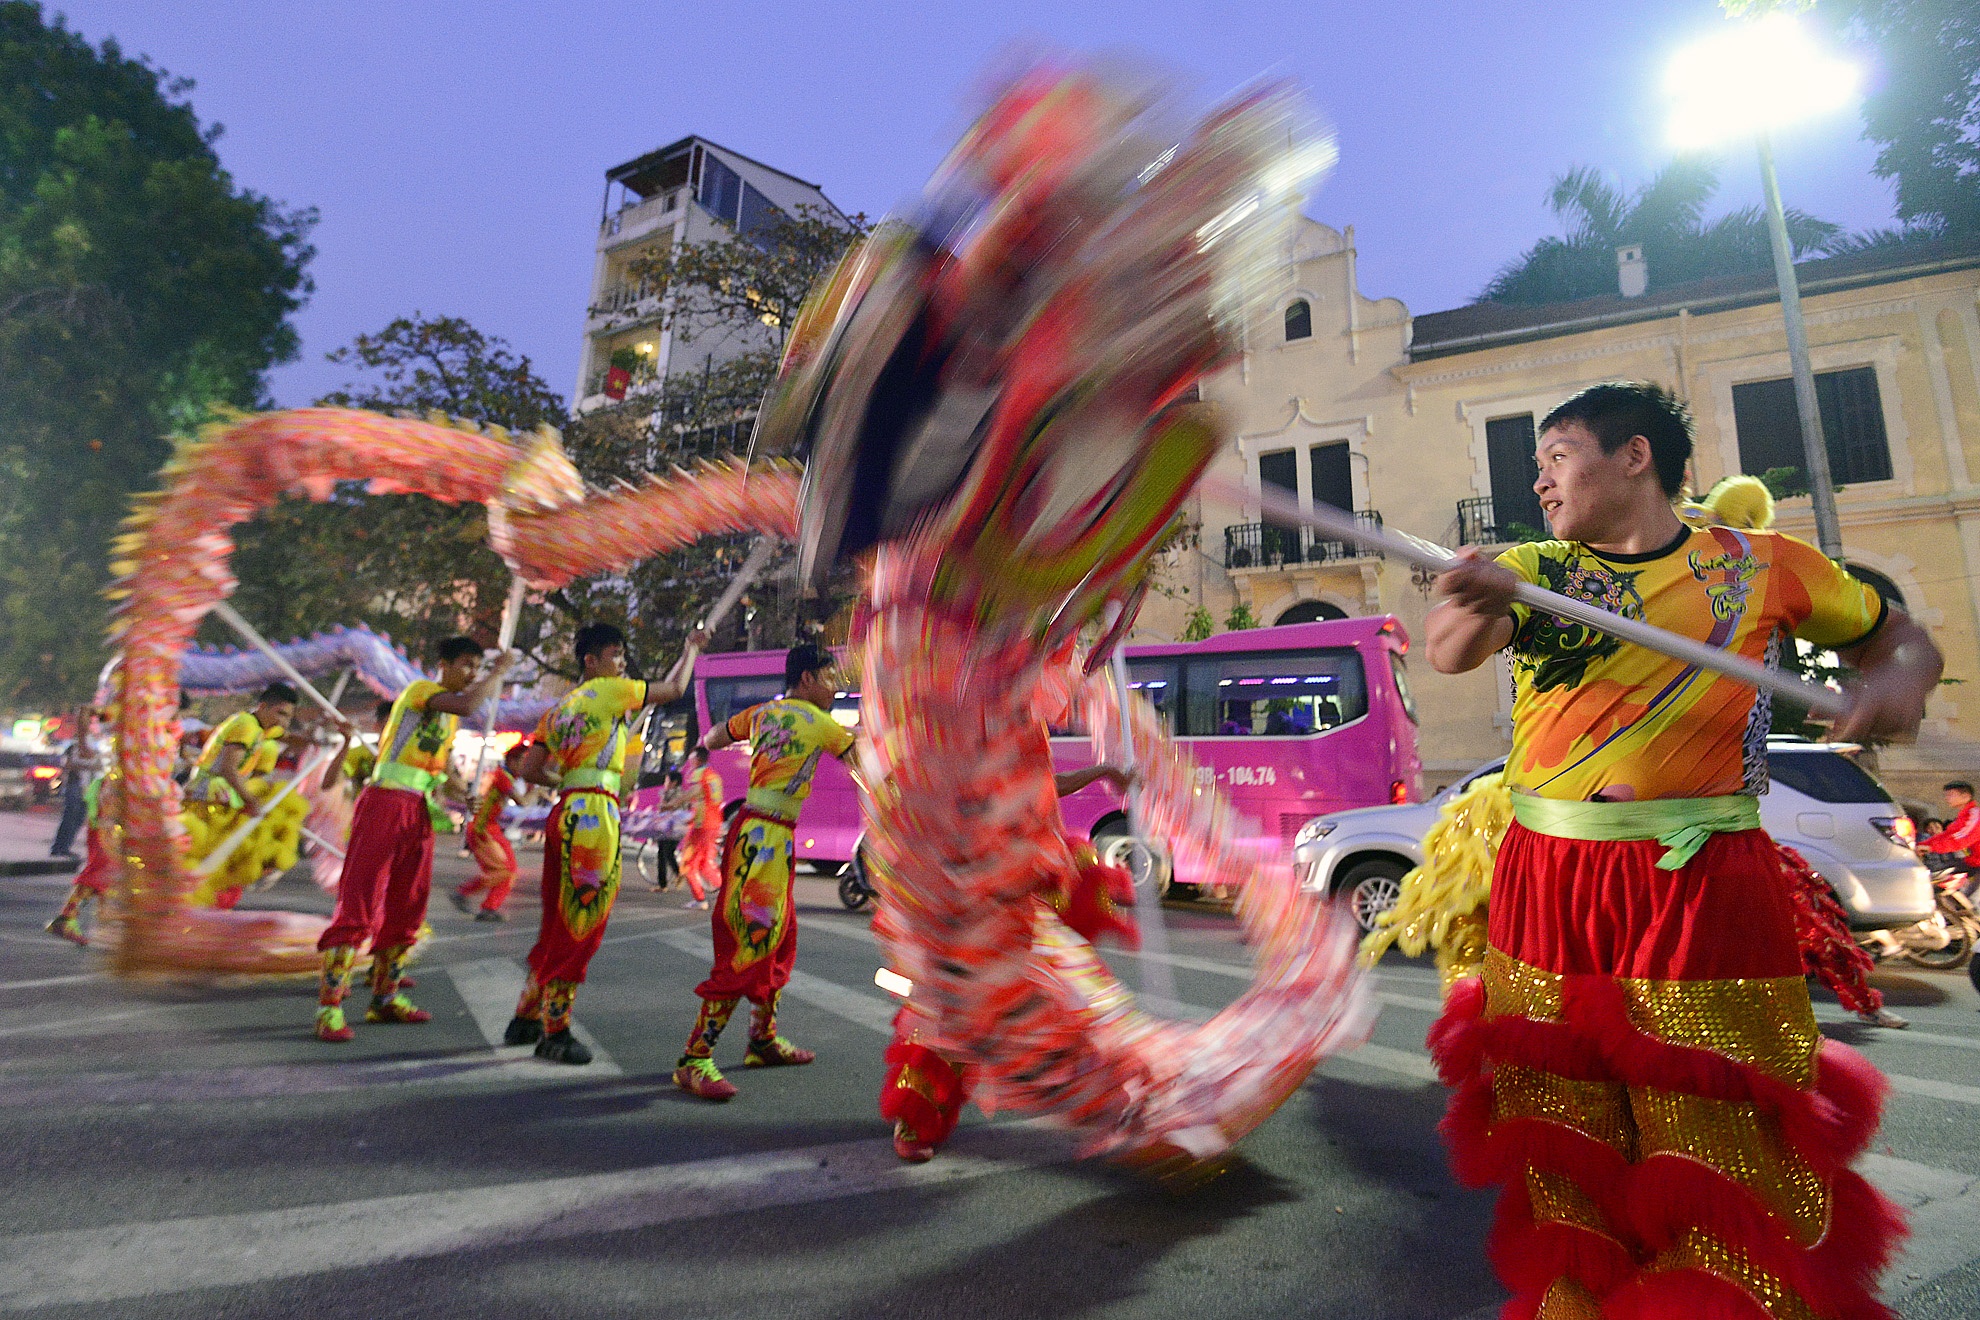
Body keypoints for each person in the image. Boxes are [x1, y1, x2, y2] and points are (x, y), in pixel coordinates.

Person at [1424, 381, 1939, 1318]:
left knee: (1721, 1149)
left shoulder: (1766, 567)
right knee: (1562, 1141)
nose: (1541, 481)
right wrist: (1471, 592)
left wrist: (1899, 680)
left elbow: (1898, 638)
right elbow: (1453, 649)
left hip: (1704, 885)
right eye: (1536, 465)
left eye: (1559, 455)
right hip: (1548, 881)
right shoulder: (1537, 568)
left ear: (1635, 456)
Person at [883, 759, 1137, 1161]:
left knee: (1068, 1007)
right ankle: (915, 1120)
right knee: (950, 1026)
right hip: (967, 910)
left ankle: (1107, 1106)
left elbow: (1042, 785)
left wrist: (1101, 773)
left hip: (1019, 904)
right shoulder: (950, 753)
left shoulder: (1008, 743)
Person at [504, 622, 705, 1063]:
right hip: (594, 816)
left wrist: (568, 781)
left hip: (566, 811)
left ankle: (526, 1015)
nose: (622, 663)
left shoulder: (558, 710)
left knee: (558, 920)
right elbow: (673, 688)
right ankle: (554, 1030)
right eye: (615, 655)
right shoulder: (610, 691)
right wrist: (691, 648)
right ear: (590, 661)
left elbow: (531, 769)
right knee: (583, 923)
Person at [672, 642, 853, 1101]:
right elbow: (867, 771)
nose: (836, 689)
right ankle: (695, 1058)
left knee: (780, 936)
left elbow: (712, 739)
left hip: (757, 832)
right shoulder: (819, 724)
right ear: (807, 679)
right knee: (752, 940)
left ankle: (762, 1039)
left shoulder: (759, 714)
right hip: (769, 842)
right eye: (830, 678)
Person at [313, 639, 515, 1043]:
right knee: (360, 900)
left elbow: (441, 771)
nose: (472, 673)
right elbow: (468, 704)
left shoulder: (448, 719)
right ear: (443, 666)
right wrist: (499, 671)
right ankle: (329, 1008)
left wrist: (463, 792)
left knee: (409, 904)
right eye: (466, 665)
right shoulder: (422, 691)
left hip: (418, 809)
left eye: (477, 666)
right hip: (385, 804)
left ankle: (385, 997)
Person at [453, 742, 530, 921]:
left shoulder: (499, 775)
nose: (525, 767)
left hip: (488, 827)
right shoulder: (501, 776)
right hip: (483, 829)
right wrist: (539, 792)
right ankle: (466, 894)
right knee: (505, 870)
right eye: (523, 762)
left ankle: (486, 906)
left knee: (509, 869)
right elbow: (522, 802)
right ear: (512, 760)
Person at [676, 744, 723, 910]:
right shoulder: (714, 776)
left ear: (697, 759)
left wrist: (671, 804)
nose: (690, 762)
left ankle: (700, 898)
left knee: (688, 864)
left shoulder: (700, 774)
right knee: (705, 864)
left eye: (691, 759)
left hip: (701, 826)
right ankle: (729, 894)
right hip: (714, 823)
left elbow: (692, 794)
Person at [48, 711, 96, 858]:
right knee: (70, 817)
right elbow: (69, 765)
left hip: (86, 786)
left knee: (78, 818)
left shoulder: (92, 745)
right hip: (76, 785)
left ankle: (64, 846)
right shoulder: (74, 747)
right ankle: (59, 847)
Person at [1919, 781, 1980, 875]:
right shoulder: (1963, 817)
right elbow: (1947, 835)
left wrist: (1931, 847)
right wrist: (1923, 844)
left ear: (1966, 796)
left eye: (1950, 795)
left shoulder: (1975, 816)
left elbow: (1962, 839)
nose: (1947, 798)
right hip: (1973, 862)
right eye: (1946, 795)